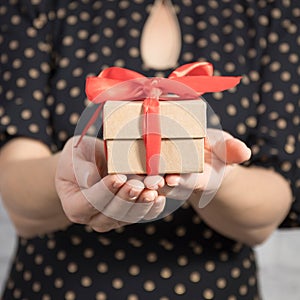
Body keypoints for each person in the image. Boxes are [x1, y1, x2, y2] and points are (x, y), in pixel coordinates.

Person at [0, 1, 298, 299]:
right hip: (57, 286)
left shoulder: (271, 8)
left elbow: (268, 209)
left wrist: (217, 176)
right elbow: (20, 203)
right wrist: (76, 170)